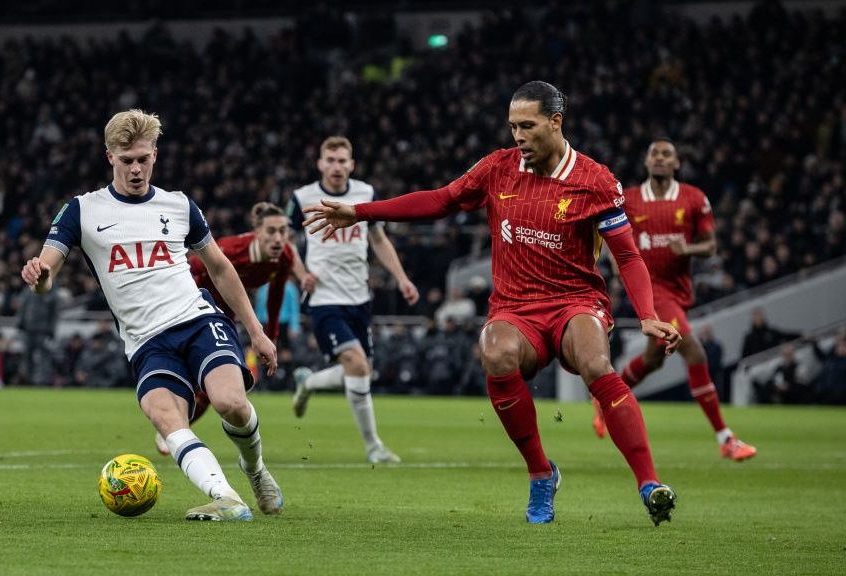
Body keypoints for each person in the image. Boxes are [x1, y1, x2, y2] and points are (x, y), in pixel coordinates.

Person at [303, 81, 682, 525]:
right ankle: (541, 473)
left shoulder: (595, 180)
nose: (517, 136)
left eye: (527, 126)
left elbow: (628, 255)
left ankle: (649, 484)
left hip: (574, 302)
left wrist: (648, 316)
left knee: (596, 364)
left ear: (555, 122)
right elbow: (440, 201)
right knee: (496, 354)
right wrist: (362, 212)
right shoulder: (498, 168)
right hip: (515, 307)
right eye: (512, 126)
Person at [20, 109, 282, 521]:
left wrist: (256, 331)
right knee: (165, 417)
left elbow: (218, 267)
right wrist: (40, 277)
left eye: (144, 158)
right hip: (146, 341)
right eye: (127, 161)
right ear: (109, 157)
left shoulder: (178, 205)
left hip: (197, 320)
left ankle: (255, 469)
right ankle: (227, 498)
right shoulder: (82, 211)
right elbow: (48, 268)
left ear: (155, 155)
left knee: (230, 402)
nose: (136, 169)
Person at [594, 139, 757, 461]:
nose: (659, 158)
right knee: (694, 352)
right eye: (654, 153)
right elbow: (608, 234)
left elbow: (709, 246)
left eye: (666, 154)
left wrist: (688, 250)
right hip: (650, 289)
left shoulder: (694, 199)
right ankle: (726, 438)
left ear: (677, 163)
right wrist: (615, 264)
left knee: (654, 359)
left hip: (677, 291)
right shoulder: (629, 199)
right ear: (646, 161)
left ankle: (603, 397)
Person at [286, 136, 420, 464]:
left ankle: (309, 381)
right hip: (323, 297)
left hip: (359, 297)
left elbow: (378, 239)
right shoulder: (302, 197)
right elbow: (286, 244)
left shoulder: (366, 194)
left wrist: (401, 278)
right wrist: (301, 274)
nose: (336, 166)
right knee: (357, 364)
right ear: (320, 164)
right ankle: (374, 446)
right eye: (330, 160)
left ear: (352, 164)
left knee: (362, 371)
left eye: (342, 160)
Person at [153, 201, 300, 454]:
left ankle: (176, 428)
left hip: (226, 314)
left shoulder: (284, 257)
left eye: (283, 231)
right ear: (257, 233)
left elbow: (276, 296)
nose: (278, 238)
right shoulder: (232, 250)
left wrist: (271, 335)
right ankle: (172, 425)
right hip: (194, 306)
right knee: (206, 378)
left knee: (218, 385)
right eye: (271, 231)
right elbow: (191, 267)